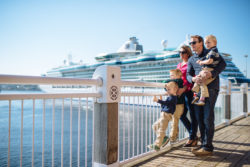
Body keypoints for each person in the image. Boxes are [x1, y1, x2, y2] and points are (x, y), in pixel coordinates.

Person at [187, 35, 226, 156]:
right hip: (198, 91)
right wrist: (193, 79)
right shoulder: (191, 59)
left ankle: (208, 147)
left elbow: (223, 64)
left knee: (207, 117)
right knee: (199, 118)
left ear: (201, 43)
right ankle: (204, 144)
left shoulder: (210, 52)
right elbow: (188, 75)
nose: (191, 45)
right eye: (190, 43)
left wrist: (212, 74)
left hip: (211, 88)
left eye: (194, 42)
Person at [177, 45, 199, 147]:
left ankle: (191, 138)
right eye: (180, 52)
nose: (181, 54)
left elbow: (191, 78)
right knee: (181, 114)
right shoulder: (179, 65)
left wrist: (184, 88)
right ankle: (193, 135)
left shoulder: (191, 62)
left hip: (190, 91)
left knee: (193, 115)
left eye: (183, 52)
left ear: (188, 52)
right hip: (181, 92)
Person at [148, 81, 178, 151]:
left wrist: (158, 100)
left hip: (167, 115)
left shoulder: (173, 98)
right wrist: (160, 101)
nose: (167, 91)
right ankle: (164, 138)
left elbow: (167, 103)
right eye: (167, 90)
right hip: (164, 114)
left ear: (175, 89)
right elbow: (165, 105)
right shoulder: (170, 97)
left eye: (169, 89)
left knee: (161, 129)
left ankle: (157, 145)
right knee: (155, 126)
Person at [192, 35, 221, 106]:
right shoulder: (210, 51)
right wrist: (201, 59)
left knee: (201, 82)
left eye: (208, 42)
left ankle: (200, 98)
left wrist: (202, 62)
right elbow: (206, 57)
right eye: (206, 43)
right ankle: (196, 95)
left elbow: (210, 61)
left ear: (215, 42)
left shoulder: (214, 51)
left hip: (209, 69)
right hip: (205, 69)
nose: (206, 44)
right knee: (198, 79)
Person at [163, 69, 185, 143]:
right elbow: (166, 87)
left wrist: (166, 82)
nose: (170, 77)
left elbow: (165, 83)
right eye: (170, 75)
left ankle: (172, 138)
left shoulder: (179, 81)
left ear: (179, 76)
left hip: (178, 105)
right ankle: (175, 136)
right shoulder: (174, 82)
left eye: (172, 75)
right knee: (174, 121)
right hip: (175, 105)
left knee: (174, 121)